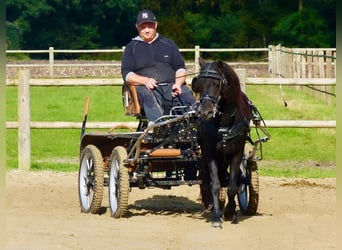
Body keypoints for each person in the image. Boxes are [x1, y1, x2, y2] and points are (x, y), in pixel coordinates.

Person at [121, 9, 195, 122]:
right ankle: (160, 127)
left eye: (149, 26)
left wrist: (178, 84)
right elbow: (127, 74)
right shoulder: (131, 48)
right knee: (147, 95)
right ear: (137, 27)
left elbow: (180, 68)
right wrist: (145, 81)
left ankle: (196, 126)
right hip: (146, 88)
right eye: (143, 27)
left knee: (186, 94)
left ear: (156, 25)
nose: (146, 30)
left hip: (171, 86)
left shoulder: (169, 44)